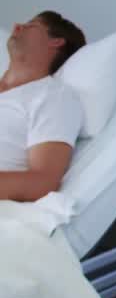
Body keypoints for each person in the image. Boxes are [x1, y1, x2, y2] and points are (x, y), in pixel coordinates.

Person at [0, 12, 86, 202]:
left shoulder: (54, 97)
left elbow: (43, 181)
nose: (16, 26)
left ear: (56, 41)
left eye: (31, 26)